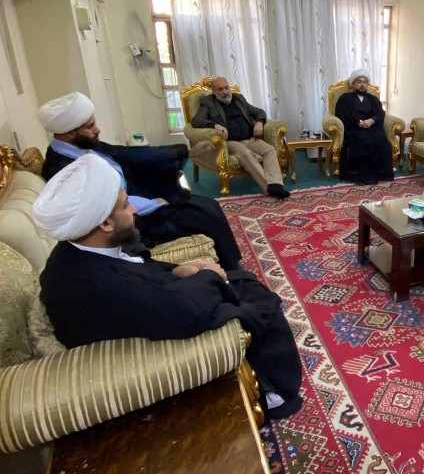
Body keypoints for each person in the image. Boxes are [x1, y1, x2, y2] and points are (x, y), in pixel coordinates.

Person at [32, 154, 303, 419]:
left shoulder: (76, 249)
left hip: (150, 302)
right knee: (259, 303)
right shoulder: (100, 285)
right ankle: (274, 393)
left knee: (241, 279)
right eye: (125, 205)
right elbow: (184, 309)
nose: (134, 210)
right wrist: (210, 276)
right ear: (104, 223)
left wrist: (175, 270)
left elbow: (135, 264)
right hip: (154, 330)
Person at [38, 92, 243, 271]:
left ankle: (231, 265)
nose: (97, 130)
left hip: (134, 200)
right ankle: (229, 271)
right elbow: (101, 208)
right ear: (70, 132)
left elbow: (129, 154)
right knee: (202, 216)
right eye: (90, 126)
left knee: (208, 205)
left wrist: (187, 152)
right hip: (128, 222)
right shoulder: (61, 167)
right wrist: (151, 204)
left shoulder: (84, 144)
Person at [191, 76, 290, 199]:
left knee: (269, 150)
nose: (225, 92)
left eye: (226, 88)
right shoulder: (208, 102)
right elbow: (196, 121)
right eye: (220, 89)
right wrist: (215, 125)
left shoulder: (238, 98)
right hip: (231, 142)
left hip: (250, 139)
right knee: (247, 155)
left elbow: (259, 112)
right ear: (214, 91)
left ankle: (276, 184)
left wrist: (260, 122)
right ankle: (269, 188)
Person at [334, 69, 394, 185]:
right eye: (359, 82)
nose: (362, 84)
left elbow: (380, 113)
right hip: (354, 129)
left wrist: (372, 120)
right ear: (353, 84)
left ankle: (382, 173)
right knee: (363, 139)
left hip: (372, 127)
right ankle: (360, 175)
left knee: (382, 141)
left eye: (364, 82)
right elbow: (342, 115)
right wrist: (359, 123)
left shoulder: (373, 99)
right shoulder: (345, 98)